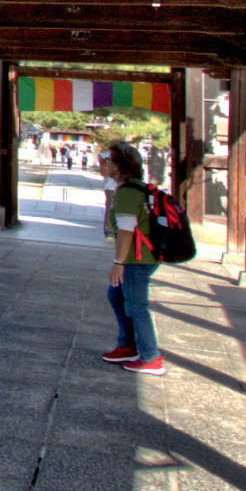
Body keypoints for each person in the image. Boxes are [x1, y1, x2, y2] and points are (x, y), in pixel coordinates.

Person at [101, 141, 165, 374]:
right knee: (116, 296)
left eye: (108, 160)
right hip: (143, 255)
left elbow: (127, 230)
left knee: (137, 306)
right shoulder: (137, 187)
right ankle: (127, 345)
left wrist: (119, 263)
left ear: (118, 166)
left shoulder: (127, 192)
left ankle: (150, 357)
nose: (104, 164)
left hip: (137, 259)